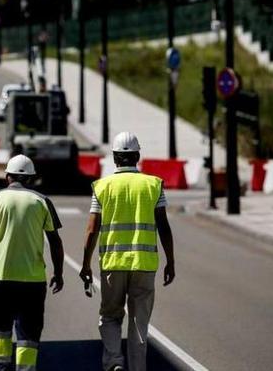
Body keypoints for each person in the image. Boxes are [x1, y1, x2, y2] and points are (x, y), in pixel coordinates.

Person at [79, 132, 176, 371]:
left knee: (110, 316)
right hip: (144, 264)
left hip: (112, 263)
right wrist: (170, 261)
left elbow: (92, 229)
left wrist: (85, 264)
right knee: (139, 322)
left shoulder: (102, 186)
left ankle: (114, 361)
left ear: (114, 158)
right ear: (137, 156)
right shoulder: (153, 185)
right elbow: (163, 225)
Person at [0, 155, 65, 371]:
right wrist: (58, 273)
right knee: (28, 337)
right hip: (33, 284)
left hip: (0, 281)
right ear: (31, 179)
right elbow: (55, 242)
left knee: (0, 336)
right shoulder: (41, 201)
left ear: (7, 177)